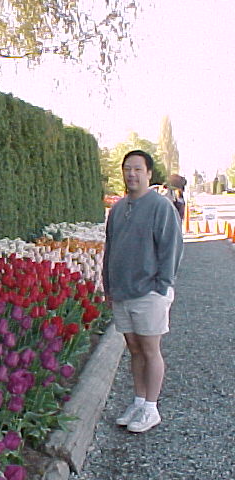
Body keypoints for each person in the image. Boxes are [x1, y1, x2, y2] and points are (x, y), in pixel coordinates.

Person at [102, 150, 183, 433]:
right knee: (134, 349)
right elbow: (110, 249)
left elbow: (171, 249)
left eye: (137, 169)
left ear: (149, 173)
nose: (131, 174)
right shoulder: (118, 209)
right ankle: (138, 401)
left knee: (150, 350)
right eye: (127, 169)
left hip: (149, 293)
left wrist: (162, 286)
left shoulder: (161, 207)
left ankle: (151, 407)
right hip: (122, 293)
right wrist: (108, 286)